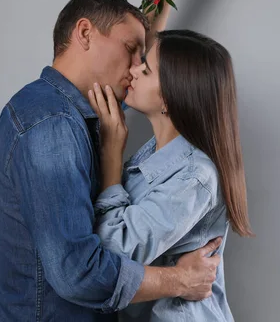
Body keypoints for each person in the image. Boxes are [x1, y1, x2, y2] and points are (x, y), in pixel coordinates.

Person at [0, 0, 223, 322]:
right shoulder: (52, 125)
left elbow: (152, 81)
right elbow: (78, 273)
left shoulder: (80, 112)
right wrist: (180, 280)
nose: (135, 68)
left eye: (141, 60)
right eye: (131, 51)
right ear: (84, 33)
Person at [89, 29, 254, 321]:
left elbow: (113, 252)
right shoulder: (157, 149)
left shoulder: (194, 177)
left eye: (146, 69)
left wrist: (111, 156)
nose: (134, 70)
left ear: (170, 98)